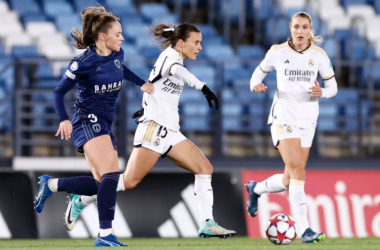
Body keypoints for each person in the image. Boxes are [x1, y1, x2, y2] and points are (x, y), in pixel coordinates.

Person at [62, 22, 236, 239]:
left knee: (204, 168)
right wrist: (202, 86)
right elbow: (176, 71)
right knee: (128, 181)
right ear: (181, 43)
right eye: (196, 42)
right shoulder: (170, 58)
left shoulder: (175, 56)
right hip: (154, 128)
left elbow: (162, 82)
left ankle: (207, 223)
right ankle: (81, 199)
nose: (200, 47)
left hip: (170, 130)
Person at [33, 6, 151, 247]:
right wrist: (63, 119)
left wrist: (141, 83)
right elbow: (59, 92)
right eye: (118, 34)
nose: (122, 37)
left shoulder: (118, 54)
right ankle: (105, 234)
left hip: (105, 121)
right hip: (86, 119)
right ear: (102, 37)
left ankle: (52, 185)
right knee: (111, 174)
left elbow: (120, 70)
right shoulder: (83, 62)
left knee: (102, 184)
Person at [246, 12, 337, 243]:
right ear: (290, 28)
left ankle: (256, 189)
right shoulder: (277, 52)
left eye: (304, 27)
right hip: (283, 116)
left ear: (310, 30)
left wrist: (323, 92)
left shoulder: (318, 55)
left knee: (290, 179)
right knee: (298, 169)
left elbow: (333, 86)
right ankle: (305, 229)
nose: (300, 31)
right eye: (296, 27)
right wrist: (254, 85)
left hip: (308, 119)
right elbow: (258, 73)